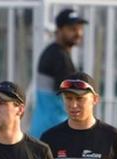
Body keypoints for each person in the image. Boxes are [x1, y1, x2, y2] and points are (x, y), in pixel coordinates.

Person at [29, 8, 88, 138]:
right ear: (59, 30)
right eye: (72, 28)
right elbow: (69, 95)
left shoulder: (53, 52)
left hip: (44, 127)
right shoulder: (59, 57)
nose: (78, 33)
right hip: (54, 131)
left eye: (80, 28)